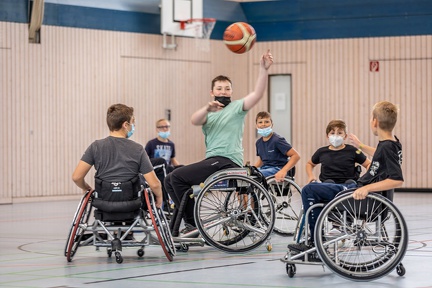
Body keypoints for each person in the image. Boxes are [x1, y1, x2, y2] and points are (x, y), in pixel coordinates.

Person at [164, 49, 274, 234]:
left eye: (227, 88)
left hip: (227, 161)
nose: (223, 91)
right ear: (212, 92)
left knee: (176, 177)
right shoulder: (209, 112)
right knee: (169, 180)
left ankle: (192, 223)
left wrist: (264, 69)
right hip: (213, 160)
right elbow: (194, 120)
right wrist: (208, 107)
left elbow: (257, 94)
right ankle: (189, 222)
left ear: (232, 91)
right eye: (219, 88)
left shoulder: (237, 108)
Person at [288, 101, 404, 254]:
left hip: (357, 194)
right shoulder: (391, 144)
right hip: (361, 193)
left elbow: (397, 180)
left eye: (371, 118)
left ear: (375, 121)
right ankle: (318, 237)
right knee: (319, 187)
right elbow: (380, 154)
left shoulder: (387, 146)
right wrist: (360, 145)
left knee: (309, 190)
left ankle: (315, 243)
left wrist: (366, 188)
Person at [72, 103, 163, 208]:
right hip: (131, 202)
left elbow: (76, 177)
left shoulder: (95, 147)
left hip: (103, 201)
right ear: (125, 125)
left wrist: (87, 188)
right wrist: (160, 198)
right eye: (133, 122)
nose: (134, 126)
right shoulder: (138, 149)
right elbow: (155, 184)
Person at [306, 119, 371, 184]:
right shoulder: (321, 152)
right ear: (327, 136)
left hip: (348, 187)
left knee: (350, 183)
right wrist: (311, 176)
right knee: (322, 185)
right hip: (328, 186)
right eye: (332, 133)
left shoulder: (353, 150)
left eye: (339, 133)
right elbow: (310, 164)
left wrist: (366, 178)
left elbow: (368, 164)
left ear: (345, 136)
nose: (336, 136)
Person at [254, 111, 300, 181]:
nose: (263, 124)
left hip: (278, 168)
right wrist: (251, 169)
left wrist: (283, 171)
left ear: (272, 124)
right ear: (256, 126)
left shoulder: (277, 140)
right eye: (260, 122)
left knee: (256, 175)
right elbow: (262, 160)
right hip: (265, 168)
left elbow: (296, 156)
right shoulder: (258, 143)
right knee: (248, 175)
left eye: (266, 122)